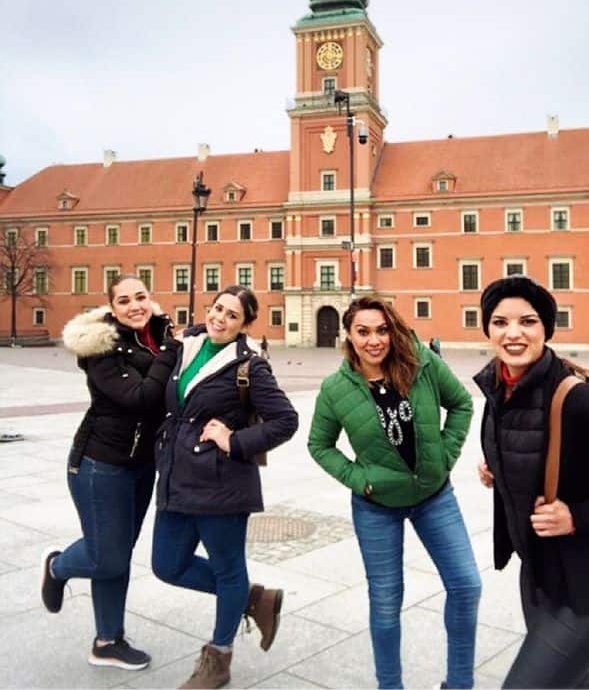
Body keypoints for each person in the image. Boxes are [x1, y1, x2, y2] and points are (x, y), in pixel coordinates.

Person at [308, 295, 481, 690]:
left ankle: (460, 684)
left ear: (393, 329)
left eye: (382, 330)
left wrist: (445, 454)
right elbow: (319, 445)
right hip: (376, 507)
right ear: (348, 336)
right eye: (363, 332)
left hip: (435, 497)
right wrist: (359, 478)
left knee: (467, 585)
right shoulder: (336, 388)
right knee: (386, 604)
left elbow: (461, 405)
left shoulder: (421, 362)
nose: (375, 340)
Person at [475, 275, 589, 689]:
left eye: (527, 322)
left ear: (546, 329)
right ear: (487, 329)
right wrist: (500, 466)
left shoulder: (578, 399)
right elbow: (535, 448)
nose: (513, 334)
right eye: (500, 322)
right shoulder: (499, 388)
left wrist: (577, 517)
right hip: (539, 577)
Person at [152, 285, 299, 690]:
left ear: (244, 325)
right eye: (218, 309)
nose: (221, 318)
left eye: (232, 315)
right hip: (177, 477)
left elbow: (285, 420)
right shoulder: (190, 345)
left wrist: (234, 441)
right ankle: (253, 598)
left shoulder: (250, 365)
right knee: (167, 564)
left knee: (228, 568)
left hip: (222, 484)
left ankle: (219, 659)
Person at [40, 275, 180, 670]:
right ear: (112, 309)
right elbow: (141, 397)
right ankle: (58, 566)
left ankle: (107, 641)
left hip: (140, 465)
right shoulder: (102, 348)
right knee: (108, 555)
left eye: (141, 297)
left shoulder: (153, 336)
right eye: (124, 300)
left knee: (116, 554)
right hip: (99, 465)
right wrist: (171, 350)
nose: (135, 305)